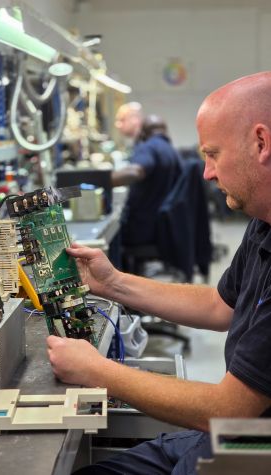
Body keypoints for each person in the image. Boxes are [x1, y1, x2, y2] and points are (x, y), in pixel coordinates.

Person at [47, 71, 271, 474]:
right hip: (232, 431)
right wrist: (112, 282)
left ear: (261, 143)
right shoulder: (263, 219)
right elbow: (220, 306)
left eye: (213, 153)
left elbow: (227, 410)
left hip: (254, 446)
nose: (207, 172)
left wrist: (94, 370)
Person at [113, 103, 183, 273]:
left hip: (143, 230)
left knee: (111, 233)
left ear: (143, 132)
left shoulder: (148, 148)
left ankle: (118, 284)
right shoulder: (171, 150)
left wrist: (102, 180)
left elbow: (136, 171)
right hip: (164, 226)